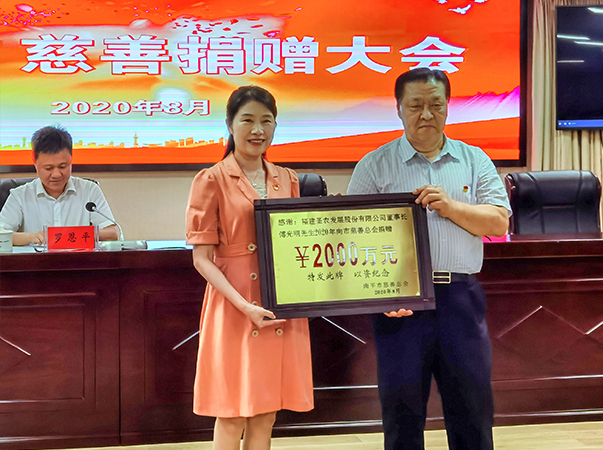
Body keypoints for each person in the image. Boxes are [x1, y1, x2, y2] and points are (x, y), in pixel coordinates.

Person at [346, 68, 511, 450]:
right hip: (399, 304)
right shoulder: (375, 165)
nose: (426, 114)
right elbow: (352, 237)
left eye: (435, 105)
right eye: (416, 105)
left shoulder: (474, 160)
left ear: (448, 106)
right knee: (402, 414)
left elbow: (498, 221)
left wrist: (451, 207)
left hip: (460, 299)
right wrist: (380, 294)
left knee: (472, 410)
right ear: (399, 109)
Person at [185, 86, 313, 450]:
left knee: (266, 411)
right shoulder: (211, 179)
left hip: (278, 304)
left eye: (266, 121)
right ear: (230, 125)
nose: (258, 130)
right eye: (248, 120)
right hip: (233, 305)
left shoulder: (287, 179)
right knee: (231, 412)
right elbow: (201, 259)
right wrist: (244, 306)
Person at [0, 125, 120, 246]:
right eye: (49, 168)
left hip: (78, 257)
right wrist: (32, 237)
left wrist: (73, 235)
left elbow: (113, 233)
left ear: (71, 159)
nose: (56, 174)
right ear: (34, 162)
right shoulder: (20, 195)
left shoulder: (89, 190)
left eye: (63, 166)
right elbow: (1, 234)